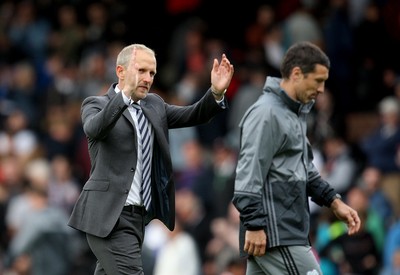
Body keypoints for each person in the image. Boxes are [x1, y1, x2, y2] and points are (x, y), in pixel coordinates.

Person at [67, 43, 234, 275]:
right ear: (120, 71)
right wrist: (125, 95)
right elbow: (95, 129)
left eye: (152, 73)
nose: (148, 78)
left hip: (138, 219)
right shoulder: (96, 103)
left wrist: (215, 92)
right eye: (141, 70)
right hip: (107, 217)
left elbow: (193, 114)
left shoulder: (154, 105)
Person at [232, 41, 361, 275]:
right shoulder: (267, 113)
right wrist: (254, 224)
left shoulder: (294, 113)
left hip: (282, 232)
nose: (321, 89)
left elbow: (305, 170)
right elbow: (247, 173)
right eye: (318, 80)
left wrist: (334, 202)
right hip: (276, 234)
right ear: (297, 74)